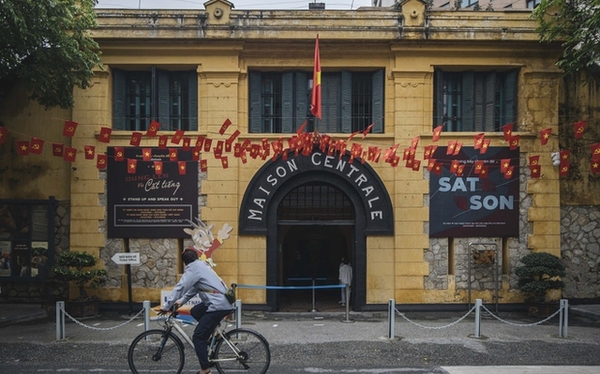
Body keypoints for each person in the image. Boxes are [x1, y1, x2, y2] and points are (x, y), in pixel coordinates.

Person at [160, 249, 234, 374]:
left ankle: (205, 370)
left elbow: (181, 287)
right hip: (221, 301)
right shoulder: (201, 265)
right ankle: (215, 333)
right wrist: (181, 301)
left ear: (185, 262)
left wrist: (167, 305)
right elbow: (195, 287)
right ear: (196, 256)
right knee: (195, 311)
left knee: (198, 337)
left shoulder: (193, 268)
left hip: (218, 305)